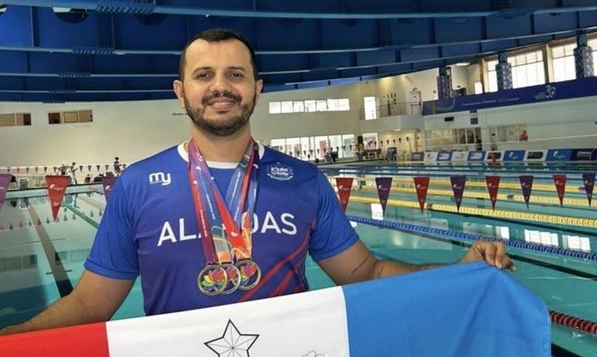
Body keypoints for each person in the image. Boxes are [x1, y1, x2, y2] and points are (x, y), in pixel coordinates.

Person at [0, 28, 513, 336]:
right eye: (204, 75)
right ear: (181, 91)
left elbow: (368, 274)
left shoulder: (305, 182)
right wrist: (13, 338)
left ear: (256, 88)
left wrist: (458, 271)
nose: (220, 86)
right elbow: (92, 304)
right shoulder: (136, 186)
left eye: (235, 74)